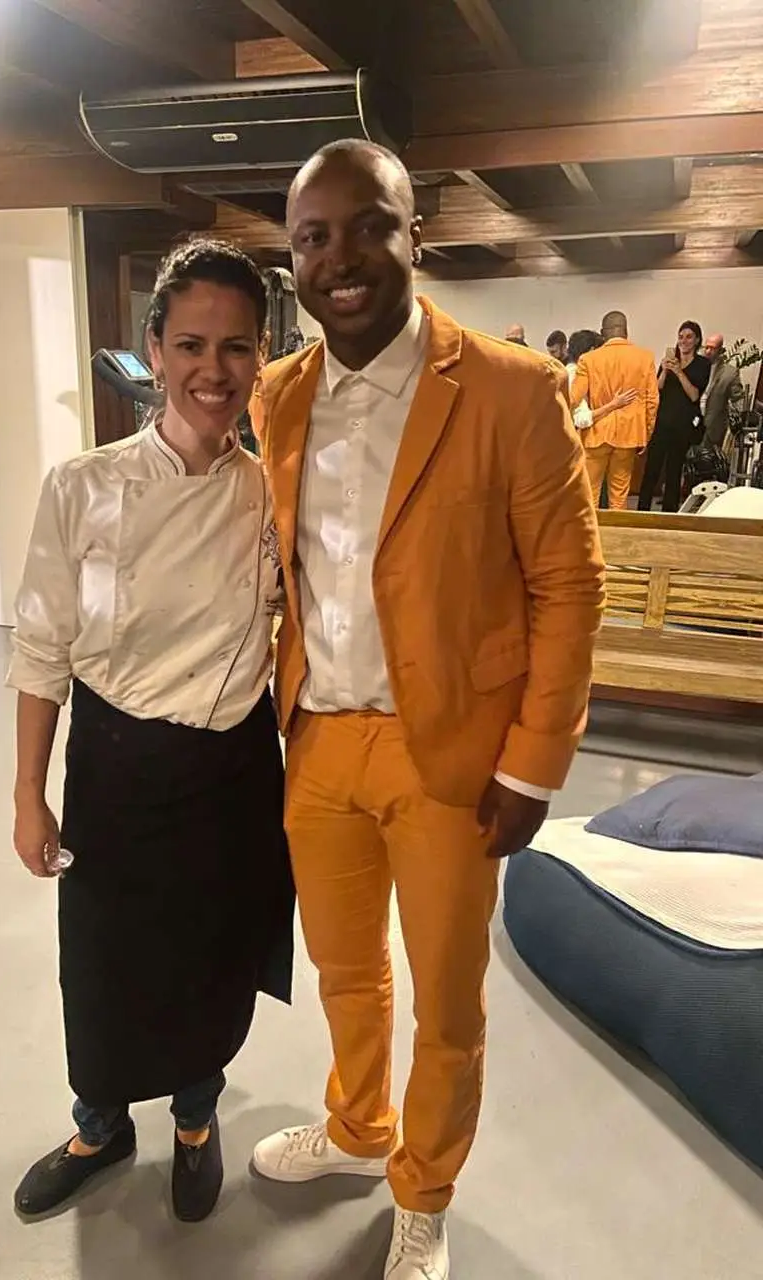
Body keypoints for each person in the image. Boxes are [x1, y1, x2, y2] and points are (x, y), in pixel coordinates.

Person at [251, 140, 605, 1280]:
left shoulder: (511, 389)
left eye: (369, 226)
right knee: (344, 969)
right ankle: (359, 1126)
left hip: (450, 750)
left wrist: (534, 763)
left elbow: (569, 585)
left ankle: (425, 1189)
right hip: (317, 740)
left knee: (448, 998)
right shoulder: (279, 395)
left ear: (418, 235)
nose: (341, 258)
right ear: (294, 259)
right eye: (313, 238)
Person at [7, 238, 294, 1224]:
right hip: (116, 764)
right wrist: (26, 792)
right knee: (102, 960)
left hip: (230, 767)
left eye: (237, 346)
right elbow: (42, 645)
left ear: (261, 355)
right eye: (192, 345)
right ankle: (100, 1126)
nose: (214, 370)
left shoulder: (272, 490)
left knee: (210, 957)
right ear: (156, 349)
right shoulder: (81, 485)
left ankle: (196, 1121)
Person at [569, 311, 659, 510]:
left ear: (603, 332)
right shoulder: (645, 358)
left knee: (590, 495)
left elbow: (573, 399)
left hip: (596, 433)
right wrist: (646, 433)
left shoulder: (588, 360)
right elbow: (652, 401)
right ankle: (617, 529)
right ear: (626, 331)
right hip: (629, 435)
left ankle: (592, 530)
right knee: (619, 496)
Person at [638, 319, 712, 513]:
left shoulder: (702, 364)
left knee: (674, 470)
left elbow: (694, 395)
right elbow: (656, 389)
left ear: (697, 340)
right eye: (680, 337)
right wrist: (664, 370)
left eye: (688, 337)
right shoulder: (670, 360)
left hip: (683, 425)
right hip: (662, 422)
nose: (683, 341)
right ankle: (642, 510)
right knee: (651, 469)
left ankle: (669, 513)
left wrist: (679, 372)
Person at [702, 332, 742, 449]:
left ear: (720, 350)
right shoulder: (697, 366)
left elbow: (737, 400)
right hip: (692, 425)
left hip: (713, 427)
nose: (708, 351)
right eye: (706, 347)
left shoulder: (729, 373)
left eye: (712, 348)